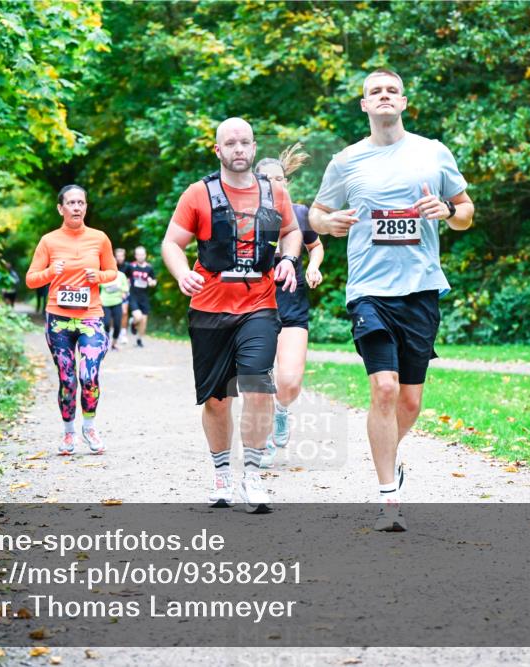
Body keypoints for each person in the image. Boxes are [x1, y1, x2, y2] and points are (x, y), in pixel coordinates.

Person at [309, 69, 475, 531]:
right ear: (364, 105)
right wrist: (329, 224)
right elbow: (317, 215)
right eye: (374, 92)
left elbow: (465, 212)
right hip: (368, 292)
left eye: (391, 91)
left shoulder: (432, 152)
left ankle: (389, 455)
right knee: (383, 388)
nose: (383, 96)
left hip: (420, 288)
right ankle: (388, 500)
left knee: (409, 403)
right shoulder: (346, 161)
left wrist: (447, 212)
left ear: (404, 101)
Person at [161, 117, 302, 513]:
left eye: (245, 142)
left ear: (253, 148)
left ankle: (253, 475)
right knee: (218, 400)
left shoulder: (275, 193)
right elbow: (172, 242)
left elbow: (292, 232)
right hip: (209, 307)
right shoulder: (198, 194)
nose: (238, 149)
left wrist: (289, 258)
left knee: (258, 384)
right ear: (218, 150)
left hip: (260, 303)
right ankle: (222, 473)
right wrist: (182, 271)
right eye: (230, 143)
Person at [26, 185, 118, 456]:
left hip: (91, 318)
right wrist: (49, 273)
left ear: (86, 207)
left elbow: (112, 271)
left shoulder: (99, 238)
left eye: (81, 203)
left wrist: (98, 276)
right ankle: (68, 433)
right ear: (60, 208)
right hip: (59, 319)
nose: (77, 207)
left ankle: (89, 426)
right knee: (67, 378)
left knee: (89, 376)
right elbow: (31, 279)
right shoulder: (49, 241)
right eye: (71, 203)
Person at [253, 144, 325, 467]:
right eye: (267, 180)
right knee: (262, 376)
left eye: (280, 179)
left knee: (290, 381)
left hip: (292, 302)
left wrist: (313, 266)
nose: (275, 184)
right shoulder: (247, 217)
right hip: (258, 303)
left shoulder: (300, 213)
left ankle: (282, 410)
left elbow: (317, 246)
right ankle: (264, 436)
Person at [123, 246, 157, 347]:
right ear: (135, 256)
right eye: (138, 254)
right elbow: (123, 277)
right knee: (138, 317)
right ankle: (133, 322)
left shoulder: (149, 268)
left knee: (144, 321)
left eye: (142, 254)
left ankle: (139, 339)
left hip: (144, 297)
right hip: (133, 296)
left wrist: (152, 282)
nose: (140, 256)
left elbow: (154, 280)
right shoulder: (131, 266)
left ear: (145, 255)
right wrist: (126, 284)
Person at [101, 264, 130, 350]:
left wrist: (124, 293)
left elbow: (126, 288)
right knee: (106, 324)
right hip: (105, 303)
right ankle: (106, 343)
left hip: (117, 303)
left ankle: (114, 343)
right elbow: (96, 288)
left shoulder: (121, 275)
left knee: (117, 325)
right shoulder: (103, 275)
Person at [114, 247, 131, 346]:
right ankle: (113, 331)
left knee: (124, 312)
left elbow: (130, 279)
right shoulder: (111, 265)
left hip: (124, 292)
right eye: (118, 256)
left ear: (124, 257)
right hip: (112, 293)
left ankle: (123, 333)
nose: (120, 258)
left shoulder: (128, 267)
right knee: (114, 314)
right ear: (115, 257)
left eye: (122, 256)